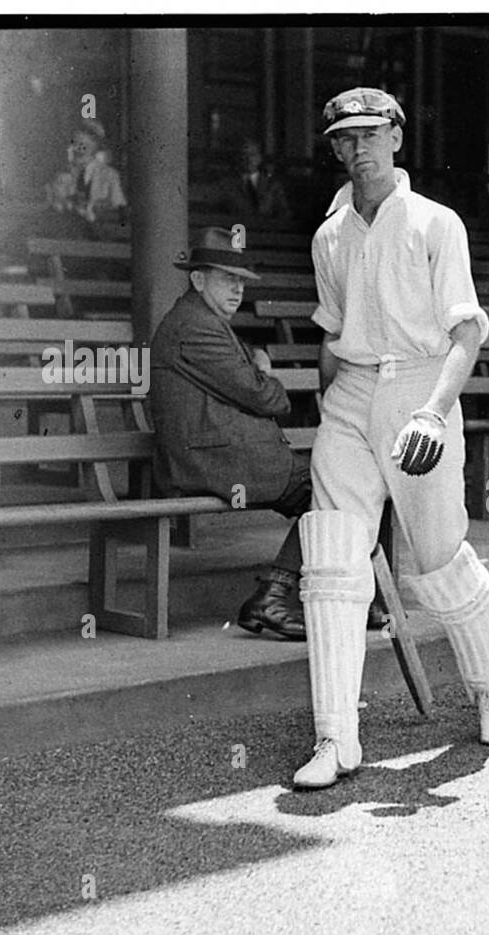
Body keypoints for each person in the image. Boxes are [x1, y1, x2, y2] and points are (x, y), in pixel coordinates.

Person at [293, 87, 489, 789]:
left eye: (370, 134)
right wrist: (334, 409)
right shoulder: (329, 235)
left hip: (422, 387)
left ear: (396, 139)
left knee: (438, 558)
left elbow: (467, 333)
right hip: (353, 392)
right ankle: (335, 737)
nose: (358, 150)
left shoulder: (435, 222)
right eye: (344, 139)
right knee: (330, 555)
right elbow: (331, 334)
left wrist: (433, 412)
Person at [146, 227, 311, 640]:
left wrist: (256, 377)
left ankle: (286, 594)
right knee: (336, 491)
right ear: (198, 280)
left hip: (223, 452)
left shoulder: (203, 319)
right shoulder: (195, 326)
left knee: (342, 490)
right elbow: (263, 397)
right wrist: (266, 374)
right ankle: (275, 596)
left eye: (240, 281)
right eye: (226, 279)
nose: (237, 290)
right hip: (212, 461)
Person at [217, 138, 292, 220]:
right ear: (238, 158)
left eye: (252, 154)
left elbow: (284, 213)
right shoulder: (226, 185)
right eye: (244, 155)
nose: (249, 159)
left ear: (260, 158)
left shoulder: (273, 185)